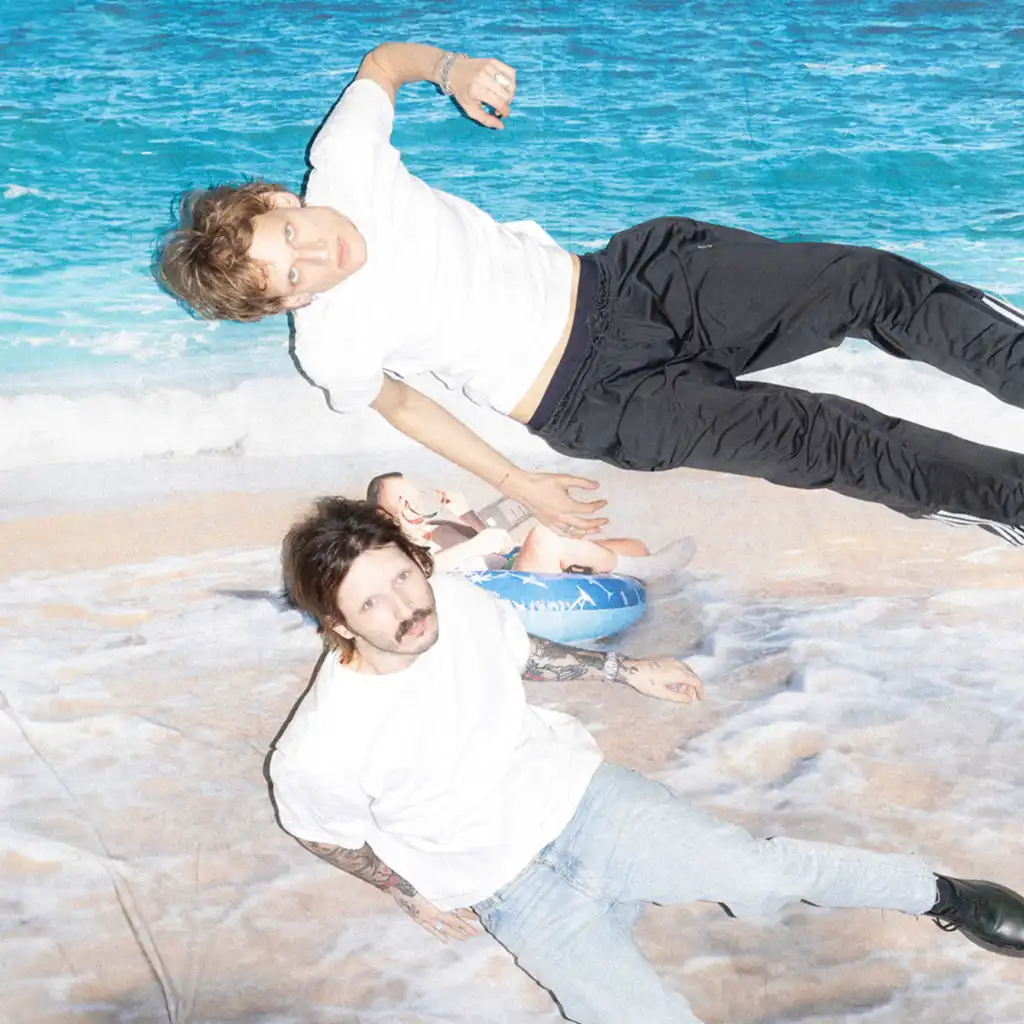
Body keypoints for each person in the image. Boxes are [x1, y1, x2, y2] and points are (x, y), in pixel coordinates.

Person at [157, 42, 1024, 547]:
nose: (317, 256)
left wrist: (453, 70)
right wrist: (518, 482)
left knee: (867, 283)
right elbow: (403, 404)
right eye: (294, 279)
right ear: (286, 306)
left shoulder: (344, 163)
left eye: (291, 236)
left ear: (279, 200)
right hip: (606, 403)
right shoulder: (328, 342)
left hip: (639, 283)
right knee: (832, 440)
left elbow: (383, 63)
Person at [267, 497, 1024, 1024]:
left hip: (584, 802)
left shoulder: (456, 602)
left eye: (403, 576)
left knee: (758, 872)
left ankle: (945, 894)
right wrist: (408, 895)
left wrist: (626, 671)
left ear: (416, 559)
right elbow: (318, 832)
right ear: (338, 623)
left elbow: (517, 650)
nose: (406, 608)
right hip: (503, 887)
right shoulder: (320, 747)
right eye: (372, 604)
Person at [366, 469, 694, 576]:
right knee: (542, 537)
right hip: (513, 589)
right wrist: (475, 546)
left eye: (415, 494)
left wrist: (467, 516)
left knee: (631, 545)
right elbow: (420, 573)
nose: (414, 503)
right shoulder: (395, 548)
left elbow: (502, 543)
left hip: (513, 564)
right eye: (402, 500)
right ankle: (647, 570)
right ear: (383, 514)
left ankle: (645, 568)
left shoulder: (440, 526)